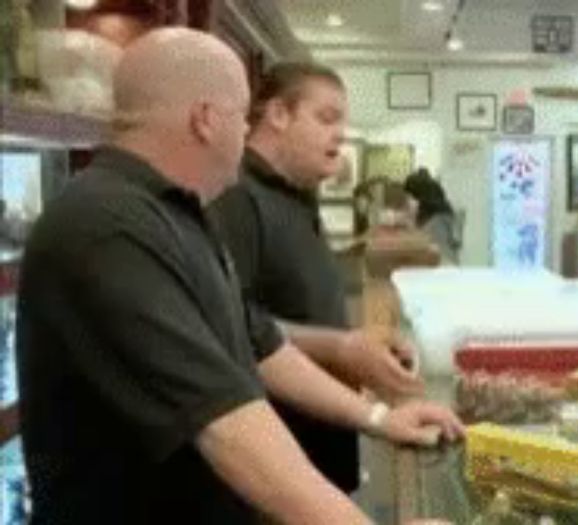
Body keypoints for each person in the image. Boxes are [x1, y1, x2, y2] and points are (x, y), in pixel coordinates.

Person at [16, 28, 460, 525]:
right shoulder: (107, 226)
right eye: (240, 116)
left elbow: (261, 346)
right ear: (205, 119)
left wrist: (380, 419)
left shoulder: (181, 215)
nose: (247, 135)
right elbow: (225, 423)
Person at [210, 62, 426, 494]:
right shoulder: (236, 196)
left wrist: (363, 343)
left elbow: (295, 301)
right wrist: (342, 348)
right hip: (278, 460)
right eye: (326, 119)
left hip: (320, 441)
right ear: (278, 115)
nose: (340, 135)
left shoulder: (294, 193)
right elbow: (233, 326)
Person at [403, 167, 461, 264]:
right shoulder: (434, 198)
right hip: (445, 263)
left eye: (412, 196)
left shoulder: (435, 220)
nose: (411, 199)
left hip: (442, 269)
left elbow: (436, 254)